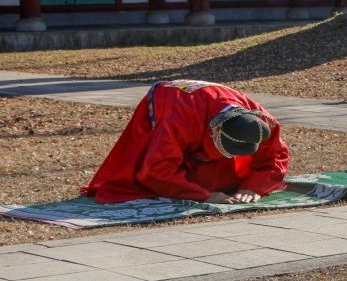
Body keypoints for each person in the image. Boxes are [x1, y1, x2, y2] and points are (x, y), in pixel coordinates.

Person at [83, 80, 289, 204]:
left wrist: (253, 187)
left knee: (224, 181)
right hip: (171, 99)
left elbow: (276, 157)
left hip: (207, 106)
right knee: (143, 170)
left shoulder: (263, 121)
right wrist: (203, 196)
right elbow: (157, 170)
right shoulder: (179, 120)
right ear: (215, 130)